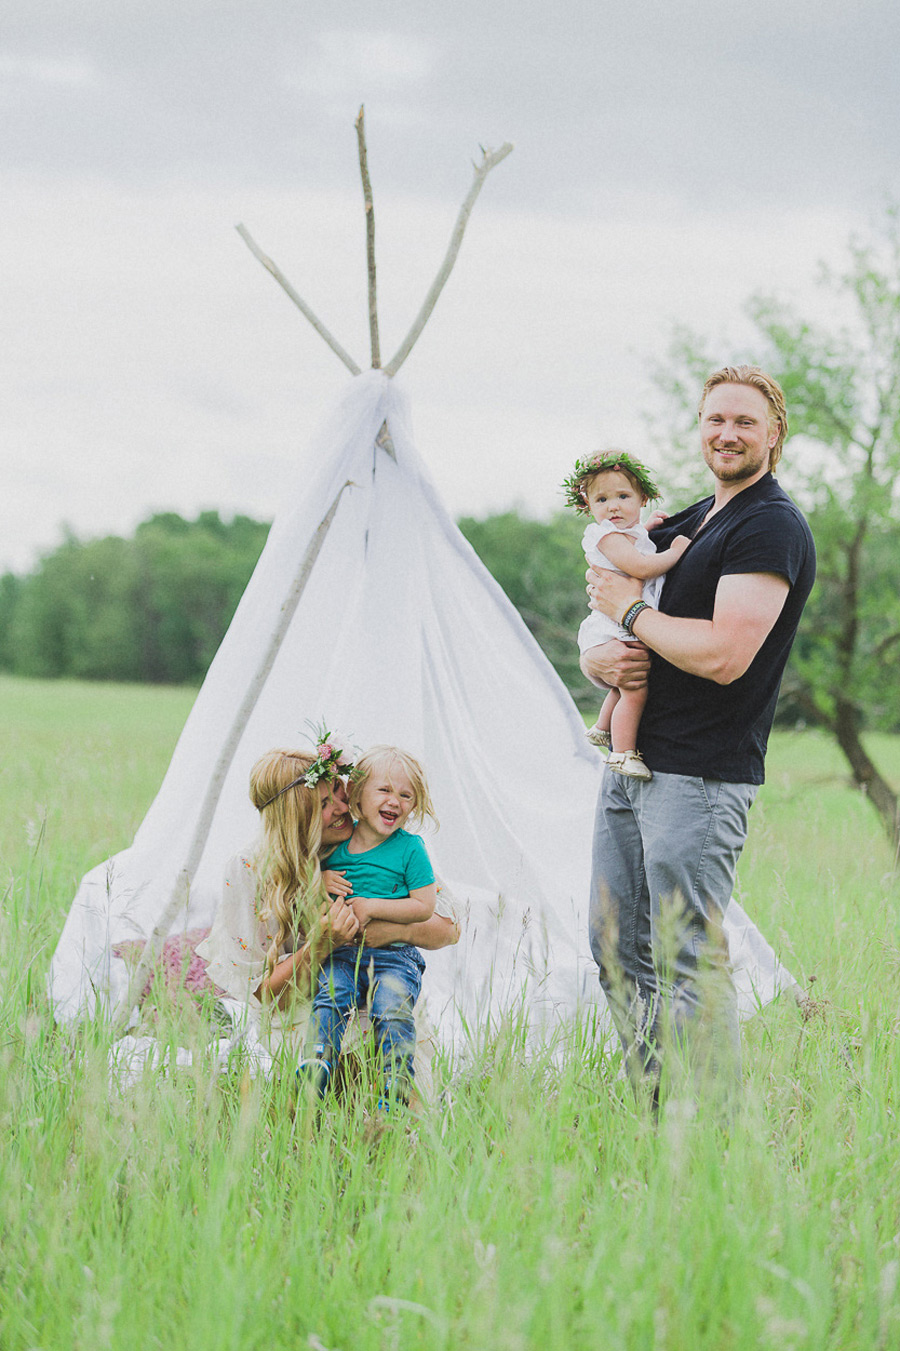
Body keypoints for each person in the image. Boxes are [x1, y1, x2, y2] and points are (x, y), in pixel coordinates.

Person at [582, 365, 816, 1105]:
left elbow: (723, 654)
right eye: (716, 419)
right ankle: (658, 1113)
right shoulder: (689, 519)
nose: (727, 433)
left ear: (774, 434)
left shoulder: (768, 525)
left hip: (701, 778)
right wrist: (599, 653)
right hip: (633, 765)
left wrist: (629, 615)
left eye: (745, 421)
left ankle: (708, 1141)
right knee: (617, 948)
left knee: (687, 956)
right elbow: (617, 610)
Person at [196, 739, 458, 1100]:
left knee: (399, 1115)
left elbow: (449, 927)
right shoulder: (250, 868)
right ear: (293, 816)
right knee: (319, 1120)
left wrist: (382, 929)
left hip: (381, 995)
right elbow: (266, 996)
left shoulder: (372, 838)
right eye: (323, 804)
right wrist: (322, 944)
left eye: (339, 792)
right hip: (307, 1017)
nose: (341, 808)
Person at [303, 746, 439, 1108]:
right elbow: (302, 882)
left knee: (391, 1007)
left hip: (394, 957)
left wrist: (371, 907)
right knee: (331, 995)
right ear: (357, 795)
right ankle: (317, 1062)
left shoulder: (410, 850)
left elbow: (425, 906)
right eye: (385, 790)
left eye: (405, 795)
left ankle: (394, 1082)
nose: (395, 800)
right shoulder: (335, 846)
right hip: (344, 952)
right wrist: (320, 879)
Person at [562, 449, 690, 779]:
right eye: (602, 499)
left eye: (623, 495)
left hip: (621, 620)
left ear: (642, 497)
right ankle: (622, 753)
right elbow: (640, 565)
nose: (613, 506)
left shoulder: (626, 535)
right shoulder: (603, 535)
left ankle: (603, 726)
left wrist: (646, 528)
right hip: (613, 626)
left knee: (622, 684)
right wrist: (675, 552)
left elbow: (634, 546)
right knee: (636, 689)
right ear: (588, 507)